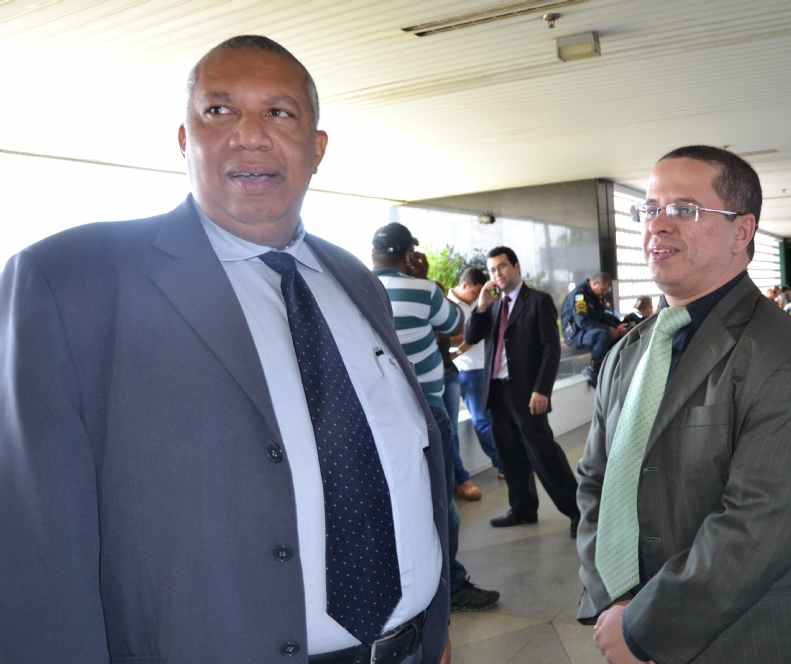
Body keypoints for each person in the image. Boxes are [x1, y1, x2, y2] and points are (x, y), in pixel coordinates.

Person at [0, 36, 453, 664]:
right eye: (219, 111)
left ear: (317, 149)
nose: (250, 136)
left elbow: (402, 463)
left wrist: (430, 626)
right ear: (183, 139)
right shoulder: (74, 281)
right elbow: (34, 548)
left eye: (279, 113)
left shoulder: (354, 279)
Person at [576, 145, 791, 664]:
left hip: (754, 638)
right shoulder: (627, 352)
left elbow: (761, 526)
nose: (657, 224)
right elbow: (596, 481)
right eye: (650, 209)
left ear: (742, 231)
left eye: (683, 209)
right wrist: (612, 597)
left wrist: (644, 627)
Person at [371, 223, 499, 613]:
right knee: (442, 507)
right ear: (409, 254)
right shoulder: (422, 290)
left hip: (379, 414)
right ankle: (450, 588)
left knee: (395, 505)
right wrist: (423, 277)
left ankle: (405, 589)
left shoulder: (355, 287)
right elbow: (456, 325)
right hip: (426, 409)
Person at [464, 247, 582, 538]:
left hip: (528, 394)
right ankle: (523, 509)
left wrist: (542, 389)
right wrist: (481, 305)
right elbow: (471, 337)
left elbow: (551, 349)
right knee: (511, 456)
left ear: (516, 267)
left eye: (502, 266)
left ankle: (578, 512)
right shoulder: (492, 305)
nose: (497, 273)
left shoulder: (538, 301)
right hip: (497, 393)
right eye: (492, 269)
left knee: (545, 456)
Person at [448, 268, 504, 483]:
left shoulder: (479, 302)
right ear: (464, 285)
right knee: (480, 420)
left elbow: (479, 333)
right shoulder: (447, 307)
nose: (477, 297)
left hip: (485, 366)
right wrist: (458, 348)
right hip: (465, 370)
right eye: (475, 292)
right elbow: (458, 337)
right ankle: (503, 463)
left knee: (490, 419)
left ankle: (504, 462)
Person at [561, 272, 628, 387]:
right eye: (603, 290)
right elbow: (582, 322)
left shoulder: (596, 296)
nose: (604, 293)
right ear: (595, 283)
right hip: (575, 334)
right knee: (604, 335)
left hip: (589, 330)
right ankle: (592, 368)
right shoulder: (579, 295)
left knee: (619, 336)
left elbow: (601, 318)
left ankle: (611, 366)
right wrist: (608, 329)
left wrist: (616, 328)